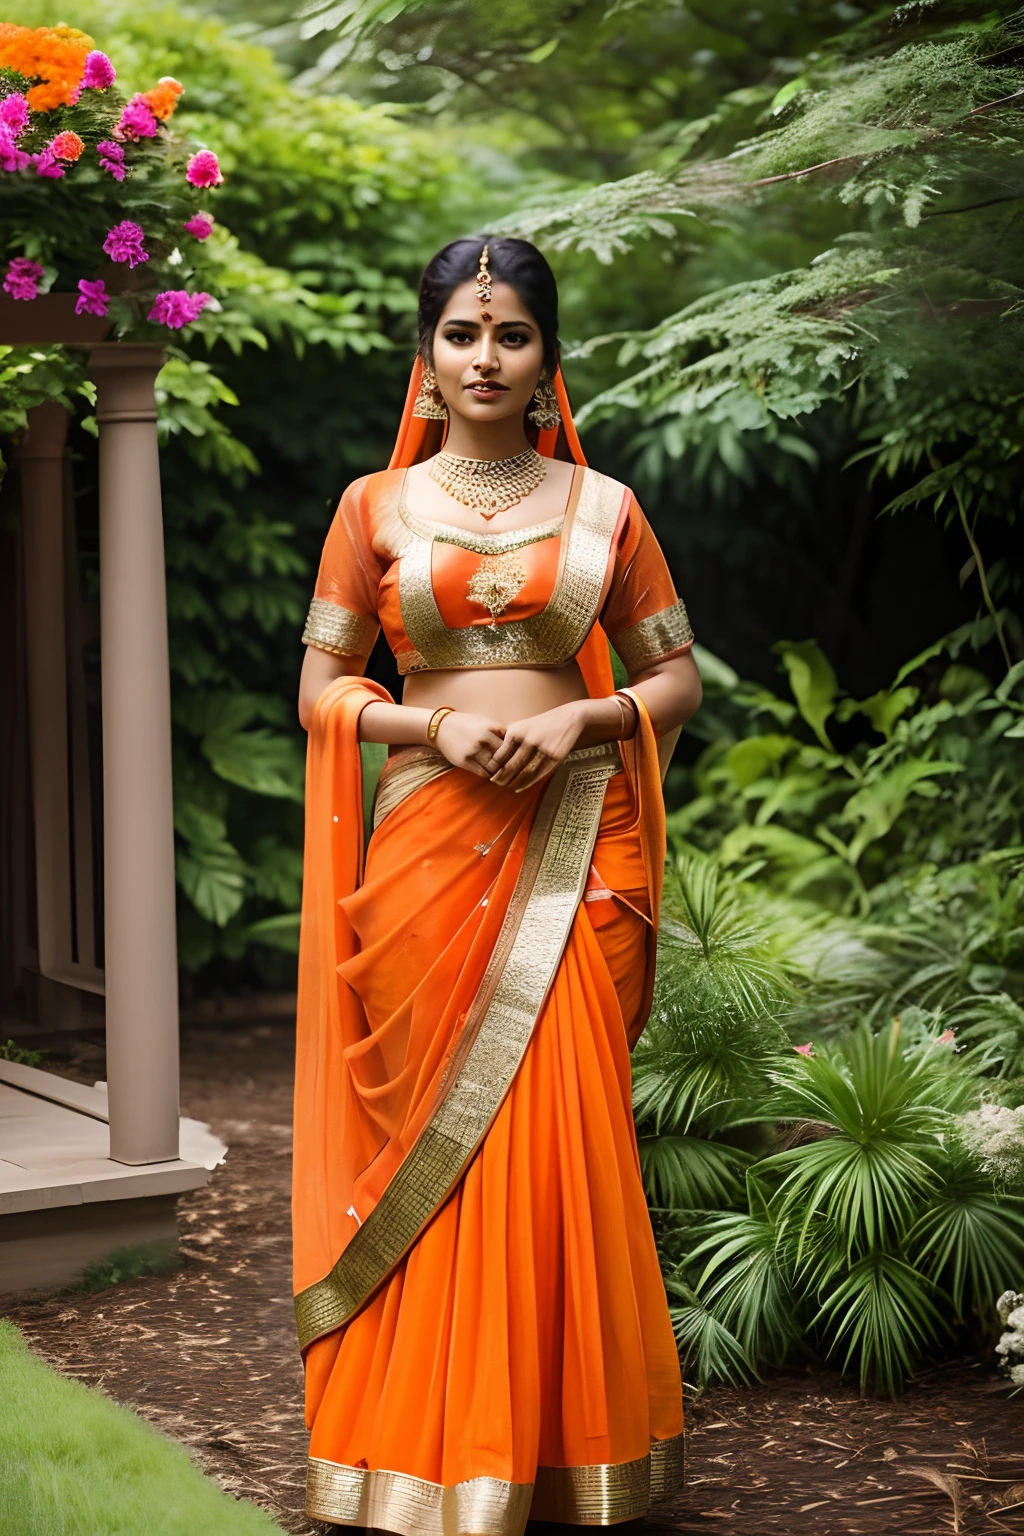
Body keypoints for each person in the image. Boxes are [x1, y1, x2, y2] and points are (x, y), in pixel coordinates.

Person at [292, 235, 702, 1536]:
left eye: (511, 335)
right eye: (463, 335)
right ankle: (413, 1450)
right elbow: (320, 690)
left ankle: (556, 1453)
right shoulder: (372, 509)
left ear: (547, 360)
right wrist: (434, 732)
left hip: (570, 849)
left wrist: (584, 725)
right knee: (433, 1143)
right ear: (427, 356)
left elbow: (675, 678)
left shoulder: (606, 510)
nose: (485, 357)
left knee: (557, 1140)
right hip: (424, 851)